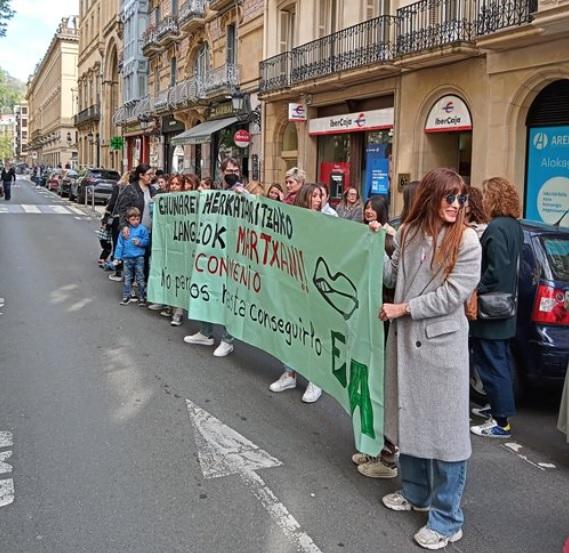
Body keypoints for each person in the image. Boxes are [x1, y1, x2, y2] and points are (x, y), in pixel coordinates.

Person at [380, 168, 481, 550]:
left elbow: (452, 295)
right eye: (450, 197)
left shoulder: (468, 241)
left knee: (447, 436)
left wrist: (403, 308)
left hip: (441, 347)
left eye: (462, 198)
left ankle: (447, 518)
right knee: (409, 421)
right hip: (405, 341)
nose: (457, 205)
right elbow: (391, 276)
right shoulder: (406, 232)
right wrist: (375, 244)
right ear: (431, 197)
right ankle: (416, 492)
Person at [469, 177, 523, 439]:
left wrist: (475, 288)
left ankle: (501, 422)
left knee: (491, 362)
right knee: (499, 360)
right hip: (506, 308)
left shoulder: (496, 228)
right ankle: (497, 407)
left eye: (487, 195)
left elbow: (496, 270)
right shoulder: (514, 226)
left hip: (492, 310)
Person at [352, 194, 398, 479]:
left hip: (384, 321)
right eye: (365, 208)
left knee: (382, 387)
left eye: (373, 208)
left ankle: (386, 453)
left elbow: (389, 279)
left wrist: (380, 242)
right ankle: (371, 444)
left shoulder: (393, 240)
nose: (368, 212)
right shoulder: (362, 234)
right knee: (367, 382)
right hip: (366, 318)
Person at [269, 183, 324, 403]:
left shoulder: (330, 221)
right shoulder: (291, 220)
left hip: (315, 286)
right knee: (289, 327)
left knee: (312, 332)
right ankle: (289, 372)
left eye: (320, 196)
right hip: (293, 282)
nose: (318, 200)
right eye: (314, 196)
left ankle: (315, 379)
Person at [183, 157, 242, 357]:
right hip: (214, 250)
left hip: (232, 253)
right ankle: (205, 332)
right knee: (206, 288)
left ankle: (228, 339)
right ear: (222, 171)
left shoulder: (242, 192)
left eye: (235, 169)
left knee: (228, 296)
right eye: (229, 169)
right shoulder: (217, 191)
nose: (232, 172)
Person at [115, 164, 156, 280]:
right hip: (134, 230)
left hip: (148, 231)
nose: (151, 176)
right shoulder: (131, 189)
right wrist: (124, 226)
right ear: (141, 175)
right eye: (149, 174)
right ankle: (130, 285)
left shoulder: (153, 190)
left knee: (146, 257)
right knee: (133, 259)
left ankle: (144, 286)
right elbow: (122, 209)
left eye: (152, 174)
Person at [113, 207, 150, 306]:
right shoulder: (125, 231)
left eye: (137, 219)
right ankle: (126, 296)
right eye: (133, 219)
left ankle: (142, 297)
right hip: (127, 258)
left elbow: (147, 241)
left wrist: (140, 242)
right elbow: (120, 245)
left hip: (139, 258)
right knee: (127, 278)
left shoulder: (142, 229)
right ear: (128, 219)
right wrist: (117, 257)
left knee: (140, 278)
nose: (136, 222)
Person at [106, 171, 132, 281]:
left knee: (118, 244)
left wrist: (106, 216)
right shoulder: (134, 189)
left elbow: (113, 203)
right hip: (131, 220)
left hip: (118, 218)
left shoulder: (120, 187)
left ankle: (118, 272)